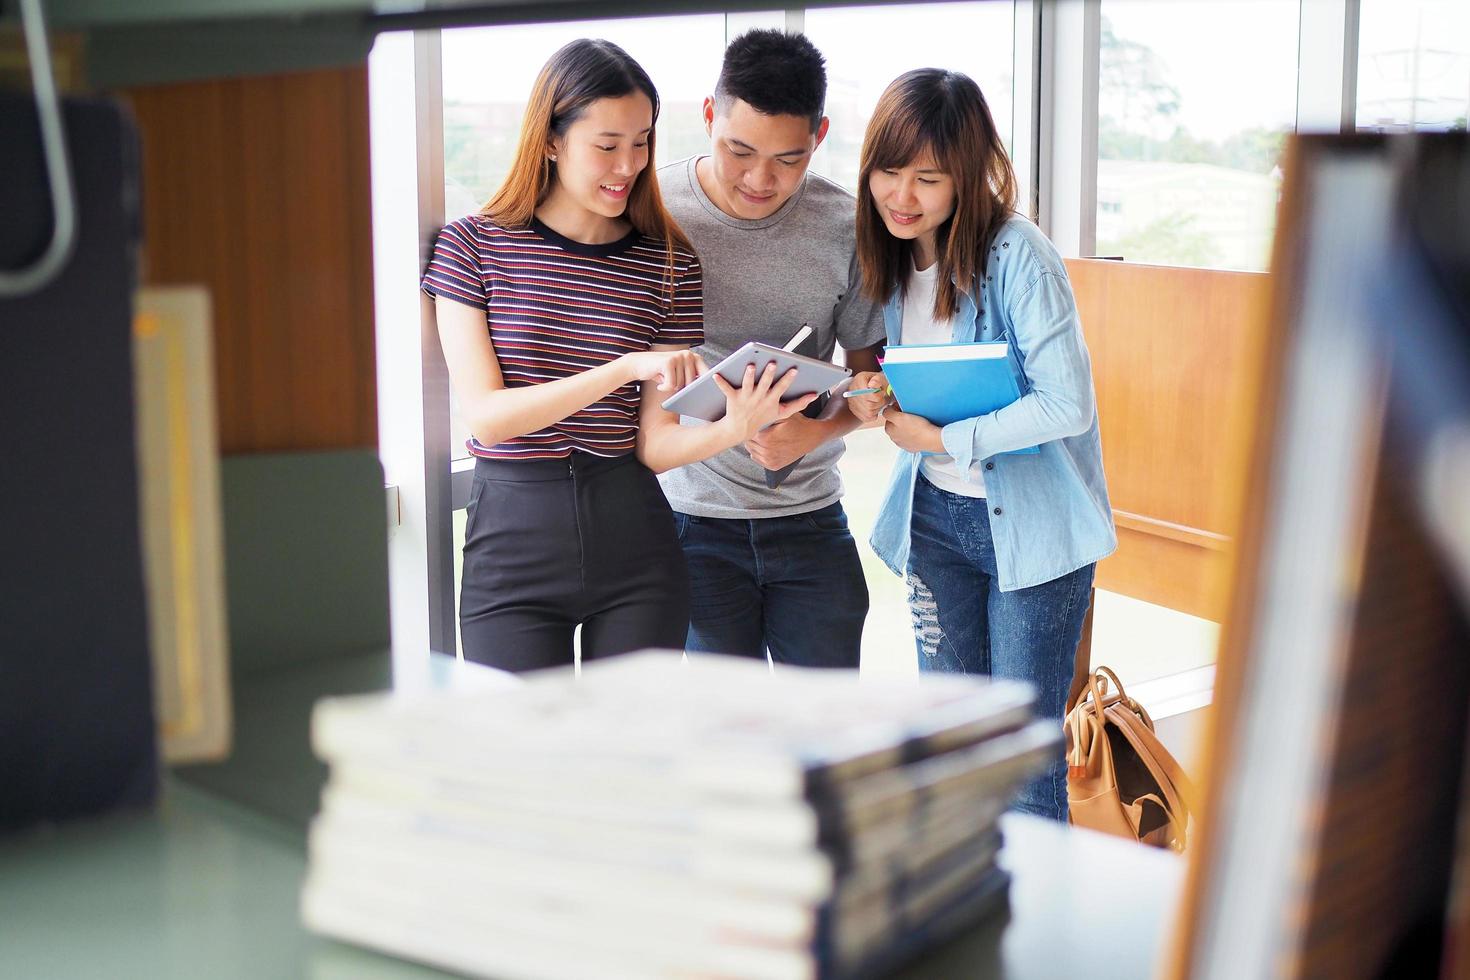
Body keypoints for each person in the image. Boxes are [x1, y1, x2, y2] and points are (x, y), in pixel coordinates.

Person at [422, 39, 813, 672]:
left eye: (642, 142)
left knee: (635, 763)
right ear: (552, 140)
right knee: (522, 760)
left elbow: (654, 445)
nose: (628, 164)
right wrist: (623, 368)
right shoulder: (473, 247)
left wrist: (735, 427)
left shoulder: (667, 261)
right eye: (607, 145)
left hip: (637, 548)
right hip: (512, 547)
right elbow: (488, 417)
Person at [846, 69, 1117, 821]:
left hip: (1028, 531)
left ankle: (1039, 935)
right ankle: (971, 921)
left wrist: (944, 437)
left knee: (1025, 764)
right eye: (889, 172)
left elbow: (1065, 404)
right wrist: (885, 397)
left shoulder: (1018, 255)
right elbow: (939, 377)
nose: (902, 195)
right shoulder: (894, 254)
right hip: (933, 521)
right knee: (954, 746)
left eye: (927, 178)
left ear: (966, 174)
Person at [653, 29, 886, 669]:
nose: (761, 179)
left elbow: (870, 381)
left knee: (827, 734)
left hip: (812, 521)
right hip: (690, 523)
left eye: (788, 158)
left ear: (819, 136)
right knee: (723, 745)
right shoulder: (654, 210)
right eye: (739, 150)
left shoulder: (846, 226)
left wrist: (812, 434)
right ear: (708, 116)